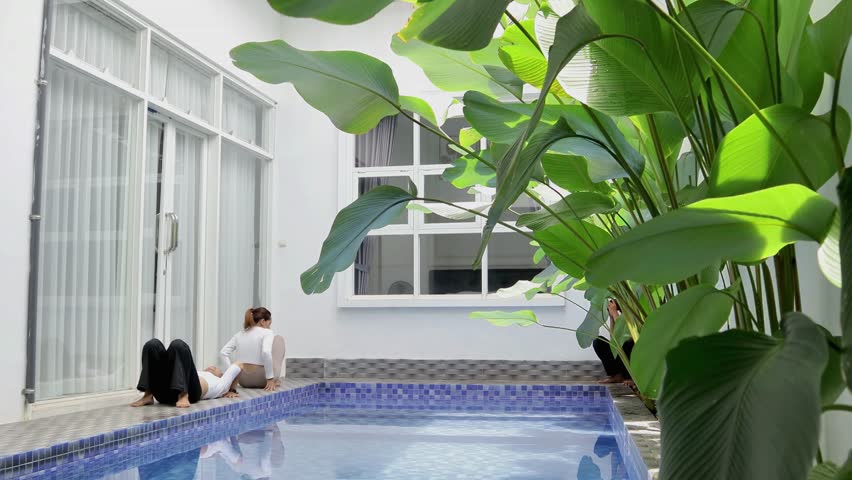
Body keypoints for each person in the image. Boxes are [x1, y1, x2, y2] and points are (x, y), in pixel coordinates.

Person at [131, 338, 243, 408]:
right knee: (152, 344)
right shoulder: (193, 370)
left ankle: (183, 394)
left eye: (217, 369)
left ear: (220, 374)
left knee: (178, 344)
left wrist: (231, 389)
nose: (213, 367)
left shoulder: (220, 383)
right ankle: (148, 395)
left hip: (191, 394)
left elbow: (239, 364)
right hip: (164, 394)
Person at [220, 307, 286, 391]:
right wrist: (269, 379)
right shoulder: (267, 332)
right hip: (262, 379)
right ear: (262, 322)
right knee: (278, 339)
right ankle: (274, 379)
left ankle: (275, 379)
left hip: (242, 381)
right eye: (269, 324)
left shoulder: (239, 334)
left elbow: (223, 353)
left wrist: (232, 374)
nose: (269, 327)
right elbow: (266, 352)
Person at [592, 299, 635, 385]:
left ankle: (630, 377)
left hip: (633, 354)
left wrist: (615, 313)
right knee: (598, 341)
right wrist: (612, 317)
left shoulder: (634, 314)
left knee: (626, 343)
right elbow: (613, 339)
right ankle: (616, 375)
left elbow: (626, 336)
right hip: (621, 356)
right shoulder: (619, 317)